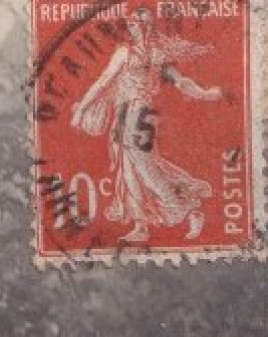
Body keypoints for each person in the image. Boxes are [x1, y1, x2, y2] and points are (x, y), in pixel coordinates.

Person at [69, 8, 222, 244]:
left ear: (145, 26)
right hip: (132, 113)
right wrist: (205, 93)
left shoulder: (132, 53)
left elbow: (102, 83)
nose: (133, 28)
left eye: (137, 24)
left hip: (136, 113)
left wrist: (80, 111)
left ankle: (187, 210)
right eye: (132, 24)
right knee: (130, 167)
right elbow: (180, 82)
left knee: (144, 167)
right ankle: (141, 225)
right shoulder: (151, 53)